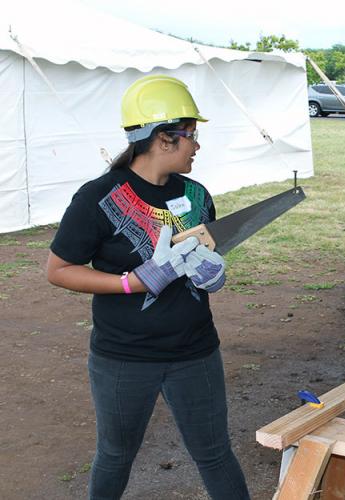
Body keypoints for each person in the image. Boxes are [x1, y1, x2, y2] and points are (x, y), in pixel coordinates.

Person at [46, 75, 251, 498]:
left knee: (215, 454)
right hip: (124, 358)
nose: (197, 145)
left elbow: (207, 251)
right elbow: (60, 269)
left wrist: (213, 275)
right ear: (163, 138)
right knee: (115, 456)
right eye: (191, 135)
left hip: (195, 352)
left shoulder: (196, 195)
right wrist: (131, 282)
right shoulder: (98, 197)